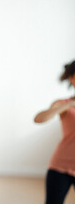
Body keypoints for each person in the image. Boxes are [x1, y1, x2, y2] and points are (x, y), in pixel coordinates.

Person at [34, 60, 75, 204]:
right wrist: (69, 105)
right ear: (71, 78)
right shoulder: (63, 104)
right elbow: (39, 118)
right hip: (60, 166)